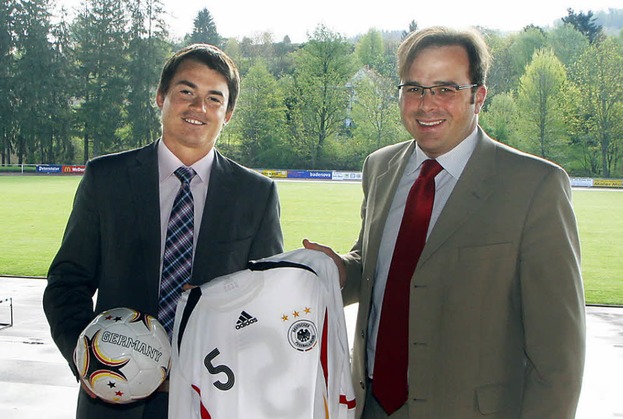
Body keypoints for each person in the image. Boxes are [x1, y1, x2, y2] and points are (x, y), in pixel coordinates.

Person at [305, 26, 586, 418]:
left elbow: (559, 355)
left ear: (479, 96)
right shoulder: (380, 167)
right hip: (370, 405)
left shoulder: (534, 186)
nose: (427, 104)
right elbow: (380, 269)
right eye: (415, 88)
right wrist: (341, 271)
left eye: (445, 89)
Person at [43, 43, 284, 419]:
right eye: (186, 92)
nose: (198, 107)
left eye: (213, 98)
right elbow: (66, 281)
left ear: (228, 113)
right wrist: (89, 356)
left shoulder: (256, 194)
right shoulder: (107, 179)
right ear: (161, 97)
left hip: (213, 398)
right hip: (112, 401)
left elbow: (267, 302)